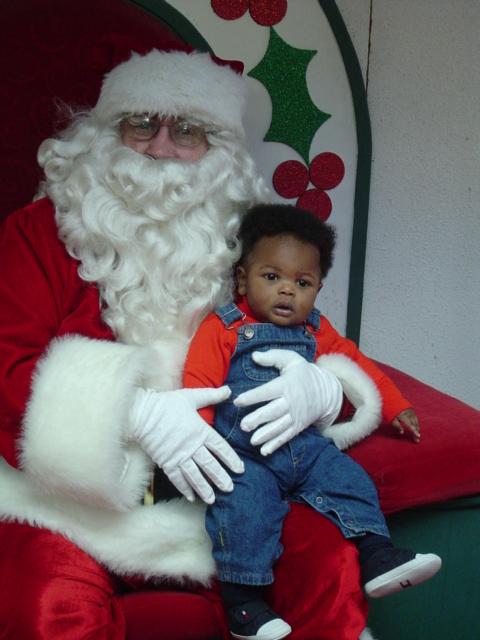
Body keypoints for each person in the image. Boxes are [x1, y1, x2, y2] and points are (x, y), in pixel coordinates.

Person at [0, 47, 399, 640]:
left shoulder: (249, 243)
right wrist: (132, 413)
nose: (161, 148)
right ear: (105, 134)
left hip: (231, 495)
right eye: (142, 124)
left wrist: (323, 392)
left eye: (187, 131)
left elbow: (312, 333)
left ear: (220, 151)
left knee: (328, 570)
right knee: (48, 606)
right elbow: (7, 365)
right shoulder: (38, 231)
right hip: (70, 507)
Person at [183, 204, 442, 640]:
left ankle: (378, 555)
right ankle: (244, 604)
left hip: (306, 448)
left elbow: (357, 365)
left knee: (350, 480)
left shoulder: (316, 330)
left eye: (302, 283)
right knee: (245, 511)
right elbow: (200, 386)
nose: (287, 291)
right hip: (247, 456)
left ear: (318, 289)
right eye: (272, 277)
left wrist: (397, 406)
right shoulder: (224, 328)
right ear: (243, 279)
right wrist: (197, 438)